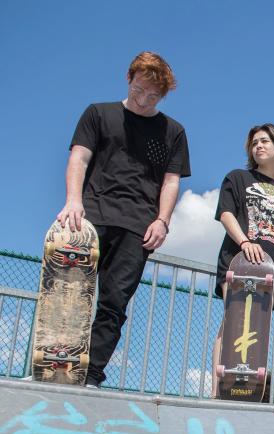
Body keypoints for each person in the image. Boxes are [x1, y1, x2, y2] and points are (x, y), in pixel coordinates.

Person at [56, 51, 190, 388]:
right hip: (89, 217)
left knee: (114, 302)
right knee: (70, 294)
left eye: (153, 96)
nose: (144, 100)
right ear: (128, 79)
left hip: (138, 226)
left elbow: (171, 181)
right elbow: (79, 158)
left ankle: (92, 374)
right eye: (139, 90)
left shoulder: (173, 131)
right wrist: (73, 200)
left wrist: (162, 221)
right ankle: (57, 362)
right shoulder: (99, 113)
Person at [211, 124, 274, 395]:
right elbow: (226, 213)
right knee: (232, 323)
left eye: (265, 141)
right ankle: (218, 389)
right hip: (239, 262)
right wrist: (245, 242)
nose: (258, 146)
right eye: (254, 143)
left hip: (271, 270)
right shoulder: (238, 178)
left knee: (259, 330)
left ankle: (250, 389)